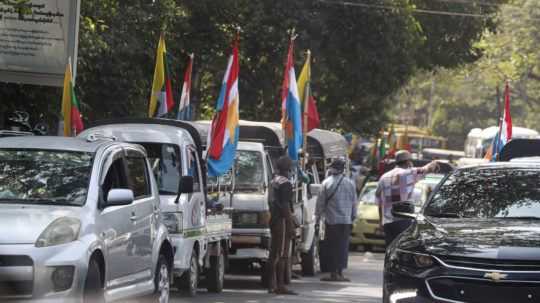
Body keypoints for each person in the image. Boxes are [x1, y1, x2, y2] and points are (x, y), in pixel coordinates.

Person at [376, 150, 439, 246]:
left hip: (388, 223)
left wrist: (380, 222)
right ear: (408, 162)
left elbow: (379, 202)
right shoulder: (408, 173)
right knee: (403, 251)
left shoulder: (384, 177)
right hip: (403, 222)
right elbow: (429, 168)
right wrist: (434, 162)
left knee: (390, 251)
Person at [316, 158, 358, 282]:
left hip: (331, 221)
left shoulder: (326, 183)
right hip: (346, 221)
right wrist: (353, 217)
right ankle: (340, 273)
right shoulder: (350, 183)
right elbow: (354, 203)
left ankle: (333, 273)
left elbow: (320, 203)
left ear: (332, 169)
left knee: (332, 246)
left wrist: (317, 217)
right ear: (342, 170)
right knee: (342, 247)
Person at [267, 155, 297, 295]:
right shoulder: (286, 183)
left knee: (273, 253)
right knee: (282, 254)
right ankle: (280, 285)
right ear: (288, 168)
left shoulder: (273, 181)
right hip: (282, 221)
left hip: (273, 219)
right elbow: (285, 205)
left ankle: (271, 285)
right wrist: (290, 224)